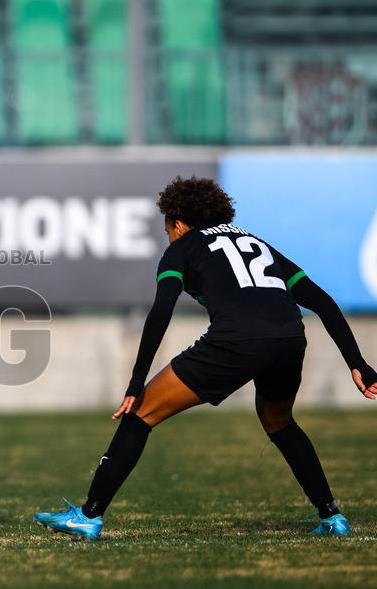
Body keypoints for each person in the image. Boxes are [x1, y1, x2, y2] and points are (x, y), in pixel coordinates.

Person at [34, 176, 377, 540]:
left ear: (179, 223)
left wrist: (136, 383)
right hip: (290, 338)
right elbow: (323, 302)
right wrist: (358, 363)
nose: (169, 236)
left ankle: (89, 516)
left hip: (235, 340)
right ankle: (332, 516)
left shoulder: (182, 248)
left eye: (168, 229)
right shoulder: (258, 243)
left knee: (140, 414)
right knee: (279, 422)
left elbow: (161, 311)